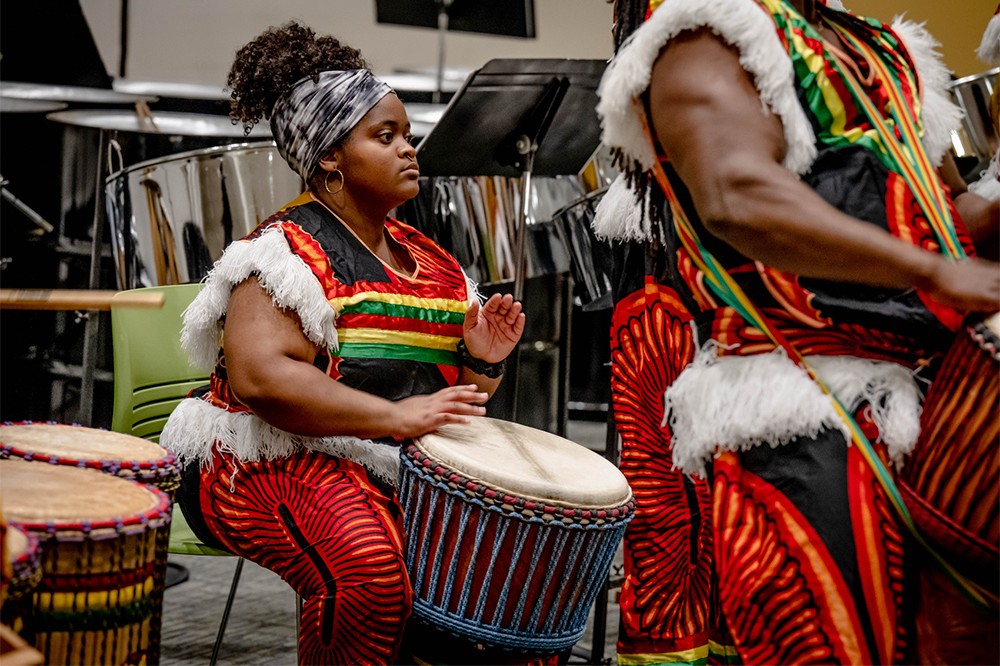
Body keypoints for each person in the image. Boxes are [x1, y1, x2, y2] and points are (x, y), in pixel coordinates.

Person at [595, 0, 1000, 663]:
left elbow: (943, 208)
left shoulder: (880, 48)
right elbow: (737, 194)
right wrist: (939, 272)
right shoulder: (705, 28)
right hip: (803, 407)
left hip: (933, 394)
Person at [160, 22, 524, 665]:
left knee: (497, 562)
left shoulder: (433, 264)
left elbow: (452, 396)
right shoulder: (284, 252)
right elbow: (262, 380)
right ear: (330, 156)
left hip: (374, 459)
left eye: (407, 135)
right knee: (367, 566)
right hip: (256, 460)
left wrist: (480, 359)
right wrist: (393, 417)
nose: (409, 150)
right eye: (385, 138)